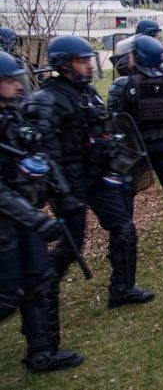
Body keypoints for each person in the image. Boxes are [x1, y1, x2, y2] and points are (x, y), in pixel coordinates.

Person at [23, 36, 155, 310]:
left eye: (88, 60)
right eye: (81, 61)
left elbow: (104, 126)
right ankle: (38, 292)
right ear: (64, 64)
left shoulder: (88, 92)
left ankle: (122, 288)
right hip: (68, 184)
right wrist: (64, 193)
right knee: (72, 245)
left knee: (123, 228)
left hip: (97, 176)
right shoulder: (46, 100)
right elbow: (45, 153)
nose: (88, 66)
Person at [0, 52, 84, 373]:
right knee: (6, 297)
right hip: (6, 227)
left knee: (39, 280)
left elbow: (41, 158)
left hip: (26, 219)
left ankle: (42, 352)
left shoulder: (13, 116)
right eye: (9, 81)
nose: (17, 86)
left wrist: (62, 192)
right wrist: (36, 219)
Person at [107, 36, 163, 243]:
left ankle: (126, 237)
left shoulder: (123, 85)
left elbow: (111, 123)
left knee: (127, 193)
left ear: (137, 57)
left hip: (135, 149)